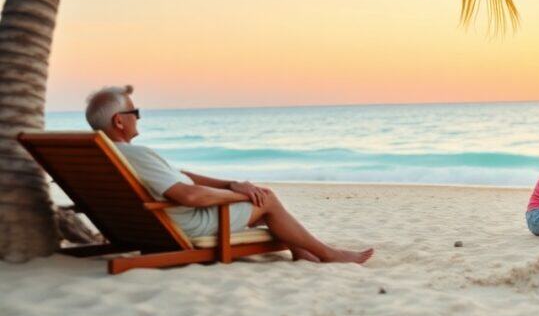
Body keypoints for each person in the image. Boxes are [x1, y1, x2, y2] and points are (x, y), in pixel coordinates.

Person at [84, 85, 373, 264]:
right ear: (119, 121)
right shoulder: (137, 154)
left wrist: (232, 184)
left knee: (259, 199)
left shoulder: (102, 154)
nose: (138, 116)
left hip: (149, 223)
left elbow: (180, 175)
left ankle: (300, 252)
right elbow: (191, 195)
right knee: (267, 200)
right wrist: (240, 195)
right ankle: (327, 253)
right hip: (188, 223)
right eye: (135, 111)